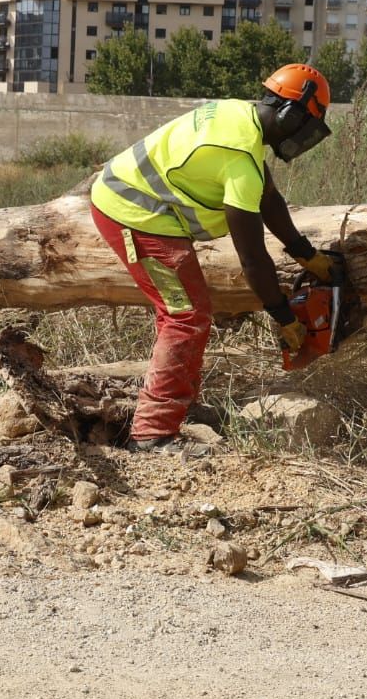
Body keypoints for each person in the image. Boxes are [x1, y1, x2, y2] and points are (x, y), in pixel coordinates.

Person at [90, 63, 340, 452]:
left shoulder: (239, 117)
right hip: (134, 214)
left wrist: (306, 255)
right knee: (186, 315)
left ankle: (181, 408)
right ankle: (153, 433)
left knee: (182, 314)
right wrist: (284, 318)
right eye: (307, 124)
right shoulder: (239, 161)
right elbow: (253, 259)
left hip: (133, 198)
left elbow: (269, 198)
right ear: (291, 115)